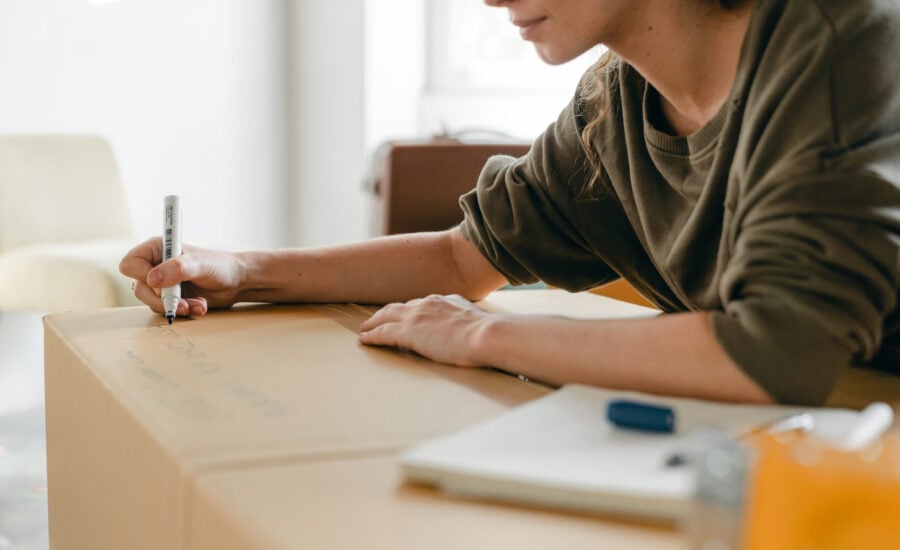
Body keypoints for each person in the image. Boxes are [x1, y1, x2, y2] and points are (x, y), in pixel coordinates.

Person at [120, 0, 900, 406]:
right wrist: (243, 269)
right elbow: (464, 256)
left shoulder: (840, 40)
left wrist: (486, 337)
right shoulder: (615, 104)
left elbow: (771, 354)